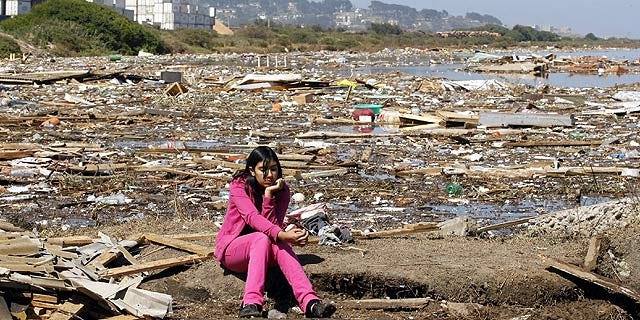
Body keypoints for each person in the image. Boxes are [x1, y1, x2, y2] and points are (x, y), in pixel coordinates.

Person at [215, 146, 336, 318]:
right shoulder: (239, 186)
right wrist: (283, 235)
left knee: (274, 241)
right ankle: (251, 302)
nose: (269, 175)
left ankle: (310, 303)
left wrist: (269, 195)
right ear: (252, 170)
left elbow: (272, 226)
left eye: (273, 169)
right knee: (263, 238)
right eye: (263, 170)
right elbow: (252, 218)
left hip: (263, 250)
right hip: (233, 252)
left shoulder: (282, 191)